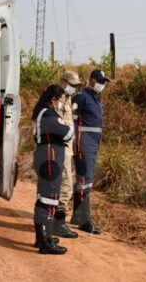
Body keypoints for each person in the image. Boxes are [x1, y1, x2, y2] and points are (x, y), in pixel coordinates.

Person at [31, 84, 73, 255]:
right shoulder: (47, 114)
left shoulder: (43, 112)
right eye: (60, 101)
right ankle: (45, 242)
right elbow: (69, 132)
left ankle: (42, 237)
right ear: (53, 99)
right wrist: (68, 127)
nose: (61, 104)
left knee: (46, 199)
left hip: (49, 156)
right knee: (48, 200)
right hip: (50, 158)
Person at [70, 69, 109, 234]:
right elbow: (73, 120)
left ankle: (77, 217)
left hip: (93, 145)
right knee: (84, 182)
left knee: (85, 181)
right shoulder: (82, 97)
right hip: (83, 145)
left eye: (104, 82)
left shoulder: (95, 98)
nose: (102, 85)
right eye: (100, 81)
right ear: (91, 81)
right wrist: (76, 145)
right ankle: (84, 221)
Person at [53, 71, 81, 239]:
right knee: (65, 186)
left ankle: (56, 222)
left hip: (67, 148)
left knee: (64, 184)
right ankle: (59, 223)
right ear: (63, 82)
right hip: (61, 148)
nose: (73, 88)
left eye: (76, 86)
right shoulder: (58, 100)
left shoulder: (68, 99)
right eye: (71, 84)